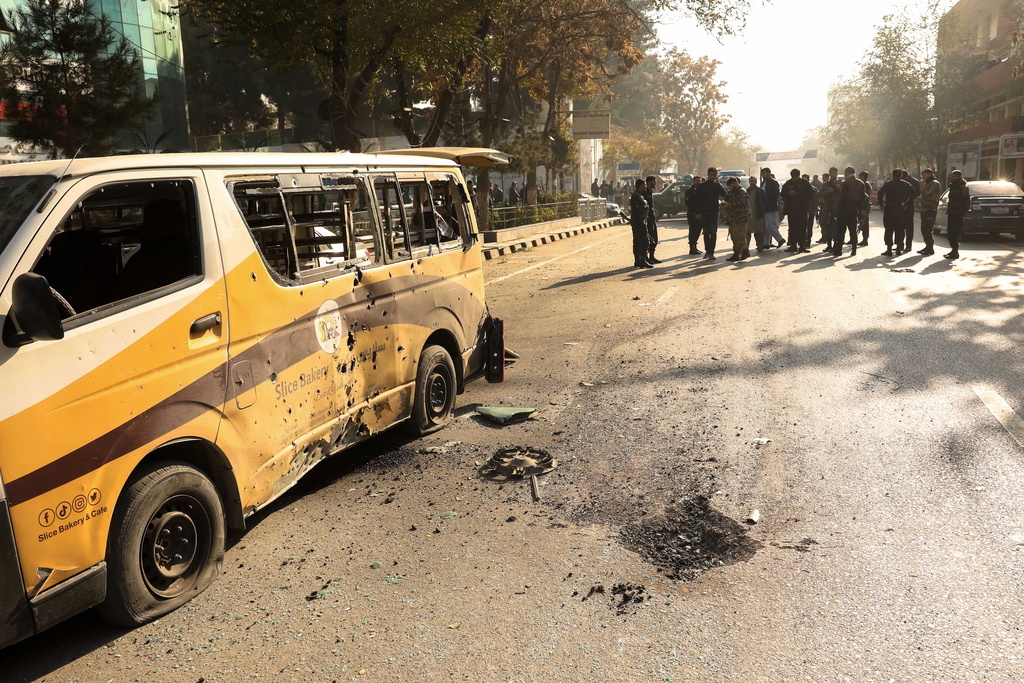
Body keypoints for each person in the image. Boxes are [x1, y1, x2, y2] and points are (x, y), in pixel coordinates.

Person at [876, 169, 915, 256]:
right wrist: (906, 202)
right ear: (901, 176)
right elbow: (914, 193)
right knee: (900, 229)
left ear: (892, 175)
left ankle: (889, 249)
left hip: (889, 208)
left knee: (889, 229)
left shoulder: (888, 184)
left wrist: (881, 203)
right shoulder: (905, 184)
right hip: (900, 208)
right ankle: (898, 249)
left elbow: (880, 193)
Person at [692, 167, 727, 260]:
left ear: (716, 176)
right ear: (707, 175)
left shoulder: (717, 186)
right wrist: (697, 212)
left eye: (714, 175)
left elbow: (724, 194)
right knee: (706, 233)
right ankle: (707, 251)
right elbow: (696, 200)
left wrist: (719, 183)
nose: (712, 177)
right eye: (711, 175)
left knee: (713, 232)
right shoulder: (701, 186)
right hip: (704, 213)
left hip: (714, 213)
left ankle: (712, 252)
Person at [780, 169, 814, 253]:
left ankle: (802, 246)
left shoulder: (804, 183)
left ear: (798, 176)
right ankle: (793, 246)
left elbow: (811, 192)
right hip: (791, 209)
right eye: (793, 177)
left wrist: (800, 194)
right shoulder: (788, 183)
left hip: (802, 209)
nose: (794, 179)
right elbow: (782, 193)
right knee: (792, 228)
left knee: (802, 228)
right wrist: (789, 193)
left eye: (795, 177)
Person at [833, 166, 864, 256]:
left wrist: (838, 211)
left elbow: (842, 198)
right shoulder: (860, 182)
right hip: (855, 209)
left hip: (845, 209)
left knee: (841, 230)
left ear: (847, 172)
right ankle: (854, 250)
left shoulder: (846, 183)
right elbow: (863, 197)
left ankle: (839, 250)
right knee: (853, 230)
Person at [724, 177, 751, 261]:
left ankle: (745, 251)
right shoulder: (731, 192)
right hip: (733, 218)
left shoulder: (742, 192)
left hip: (741, 217)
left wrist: (730, 205)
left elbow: (742, 203)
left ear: (735, 183)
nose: (730, 188)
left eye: (731, 185)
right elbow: (727, 199)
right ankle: (736, 253)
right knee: (734, 236)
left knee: (740, 236)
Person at [944, 169, 970, 260]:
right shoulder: (953, 186)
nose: (953, 178)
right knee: (950, 232)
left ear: (959, 177)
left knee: (955, 233)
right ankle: (953, 250)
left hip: (958, 213)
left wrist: (962, 211)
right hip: (952, 212)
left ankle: (955, 251)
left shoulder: (962, 188)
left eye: (955, 176)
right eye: (952, 176)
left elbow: (966, 201)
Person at [917, 168, 941, 256]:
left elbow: (927, 193)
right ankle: (927, 246)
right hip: (924, 209)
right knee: (924, 229)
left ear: (929, 174)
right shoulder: (928, 183)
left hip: (930, 209)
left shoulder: (934, 183)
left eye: (924, 175)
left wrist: (922, 185)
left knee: (927, 229)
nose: (923, 177)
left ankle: (930, 248)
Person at [629, 178, 652, 268]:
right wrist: (641, 220)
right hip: (639, 222)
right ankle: (642, 260)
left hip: (638, 221)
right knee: (644, 241)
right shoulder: (636, 196)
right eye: (644, 185)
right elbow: (637, 210)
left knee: (638, 242)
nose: (645, 186)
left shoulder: (639, 195)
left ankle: (639, 261)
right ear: (641, 185)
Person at [761, 167, 785, 248]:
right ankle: (766, 243)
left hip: (771, 207)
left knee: (769, 226)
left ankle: (780, 239)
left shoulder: (773, 183)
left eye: (764, 173)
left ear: (769, 173)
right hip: (765, 207)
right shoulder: (764, 182)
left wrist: (766, 200)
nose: (763, 175)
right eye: (762, 174)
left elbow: (775, 195)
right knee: (765, 226)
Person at [901, 170, 921, 253]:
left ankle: (908, 246)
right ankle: (900, 244)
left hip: (909, 206)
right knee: (900, 226)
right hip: (900, 205)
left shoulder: (915, 182)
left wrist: (906, 202)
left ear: (907, 177)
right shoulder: (900, 181)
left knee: (909, 226)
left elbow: (916, 193)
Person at [684, 175, 704, 255]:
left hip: (700, 213)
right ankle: (692, 248)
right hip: (692, 214)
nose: (698, 182)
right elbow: (689, 203)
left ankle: (695, 246)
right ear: (693, 181)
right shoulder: (690, 191)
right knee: (693, 230)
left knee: (698, 230)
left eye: (700, 181)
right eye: (697, 181)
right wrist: (695, 213)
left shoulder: (701, 190)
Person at [747, 175, 767, 252]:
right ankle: (746, 247)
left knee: (759, 232)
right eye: (751, 181)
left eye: (754, 181)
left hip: (758, 214)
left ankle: (759, 246)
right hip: (748, 215)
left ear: (756, 182)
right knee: (747, 232)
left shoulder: (761, 191)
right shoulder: (746, 191)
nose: (752, 183)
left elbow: (765, 202)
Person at [644, 175, 661, 263]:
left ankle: (652, 256)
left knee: (654, 238)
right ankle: (646, 258)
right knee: (648, 238)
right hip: (647, 219)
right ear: (650, 182)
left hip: (652, 218)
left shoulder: (650, 191)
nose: (655, 183)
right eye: (654, 181)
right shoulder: (645, 192)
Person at [857, 171, 872, 246]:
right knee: (862, 222)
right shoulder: (866, 184)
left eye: (860, 177)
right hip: (863, 205)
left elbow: (864, 197)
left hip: (864, 206)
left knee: (864, 223)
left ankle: (865, 240)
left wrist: (862, 208)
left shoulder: (865, 184)